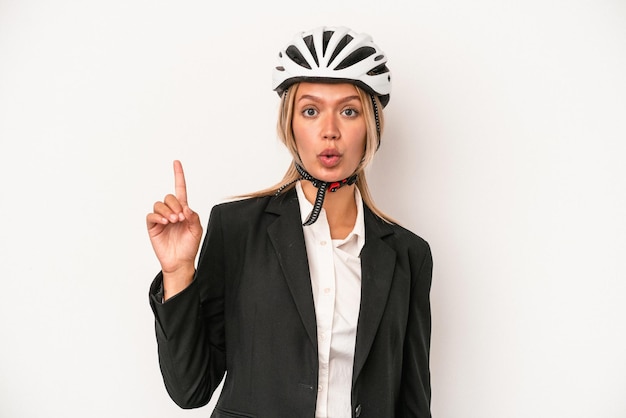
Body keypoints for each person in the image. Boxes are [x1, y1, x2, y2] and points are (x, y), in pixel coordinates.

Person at [147, 26, 433, 418]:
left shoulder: (407, 255)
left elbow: (412, 403)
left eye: (348, 111)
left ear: (372, 126)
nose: (329, 131)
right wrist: (178, 273)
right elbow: (190, 388)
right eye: (311, 111)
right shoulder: (238, 229)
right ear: (290, 125)